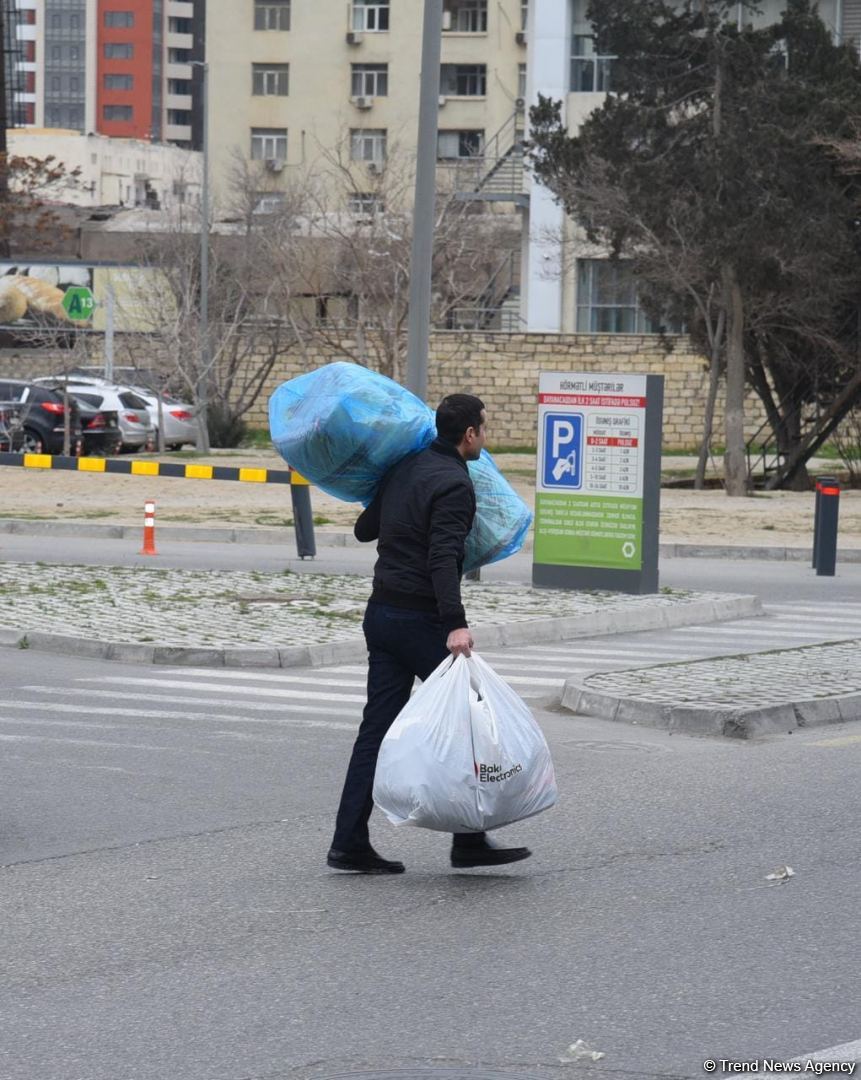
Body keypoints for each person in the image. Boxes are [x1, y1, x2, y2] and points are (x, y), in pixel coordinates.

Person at [327, 393, 532, 874]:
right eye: (484, 429)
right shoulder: (455, 484)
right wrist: (455, 623)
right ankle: (469, 840)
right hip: (420, 621)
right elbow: (443, 556)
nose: (485, 437)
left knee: (375, 732)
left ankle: (348, 841)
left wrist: (397, 499)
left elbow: (364, 529)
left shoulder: (406, 466)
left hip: (381, 615)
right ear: (469, 434)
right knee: (468, 720)